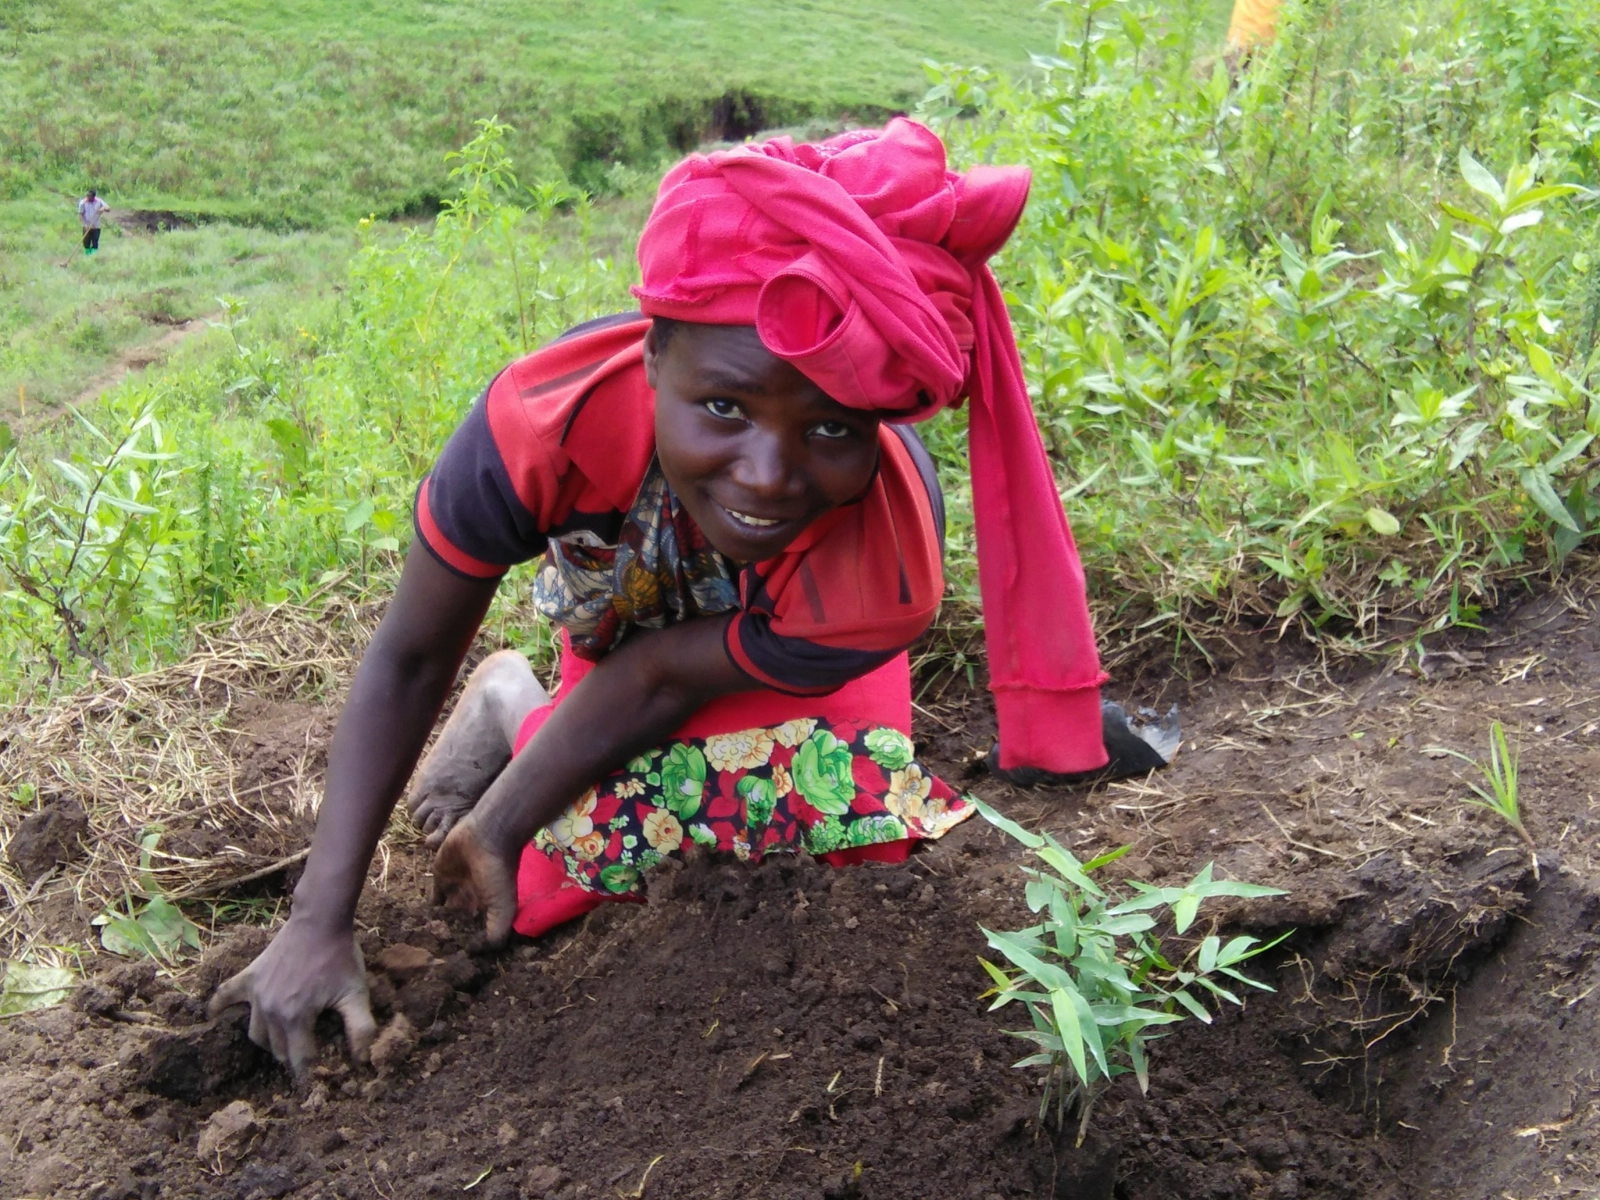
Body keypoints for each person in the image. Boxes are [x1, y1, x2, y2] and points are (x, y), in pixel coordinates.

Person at [208, 118, 1137, 1077]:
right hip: (624, 624)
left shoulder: (884, 568)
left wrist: (502, 816)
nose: (768, 475)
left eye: (829, 428)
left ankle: (530, 722)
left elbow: (671, 678)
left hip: (734, 654)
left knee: (848, 827)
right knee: (548, 890)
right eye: (725, 407)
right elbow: (410, 656)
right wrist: (318, 921)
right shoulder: (538, 425)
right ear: (654, 356)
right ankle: (511, 698)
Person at [78, 189, 108, 255]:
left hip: (96, 226)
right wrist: (85, 224)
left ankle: (93, 256)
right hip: (86, 226)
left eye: (89, 196)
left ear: (93, 197)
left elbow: (108, 208)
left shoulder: (99, 201)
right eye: (87, 196)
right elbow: (80, 214)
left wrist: (103, 208)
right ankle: (87, 256)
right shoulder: (83, 203)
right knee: (86, 242)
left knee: (95, 242)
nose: (88, 198)